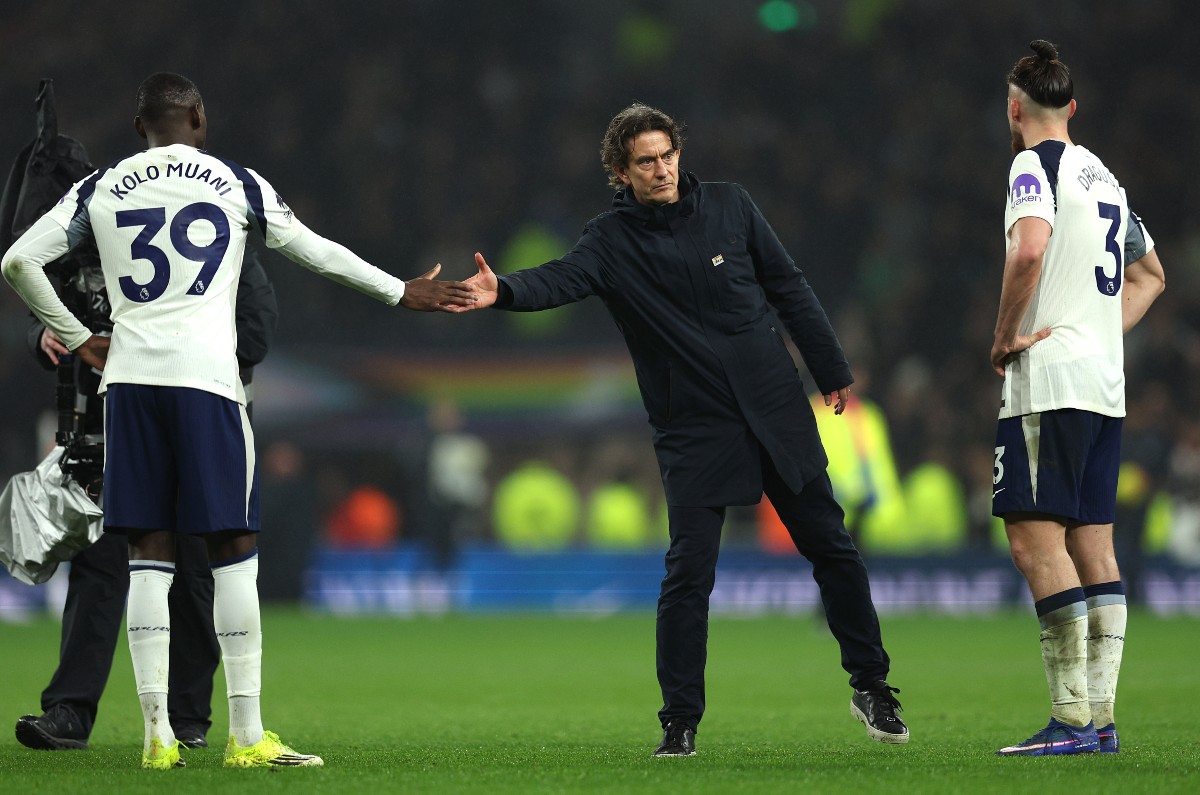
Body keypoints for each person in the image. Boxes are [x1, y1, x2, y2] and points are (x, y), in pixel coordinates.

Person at [2, 72, 474, 770]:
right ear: (198, 117)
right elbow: (315, 250)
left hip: (128, 386)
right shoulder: (235, 183)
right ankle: (247, 736)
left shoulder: (102, 186)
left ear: (139, 128)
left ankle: (158, 738)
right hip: (206, 383)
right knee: (231, 555)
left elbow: (18, 260)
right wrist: (400, 291)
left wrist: (76, 336)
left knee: (147, 561)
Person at [451, 102, 908, 755]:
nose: (662, 169)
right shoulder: (609, 241)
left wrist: (830, 367)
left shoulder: (731, 205)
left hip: (776, 406)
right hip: (696, 427)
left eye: (668, 155)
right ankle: (680, 720)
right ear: (620, 171)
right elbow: (560, 279)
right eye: (646, 161)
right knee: (689, 573)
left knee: (833, 548)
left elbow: (789, 285)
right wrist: (506, 291)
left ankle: (874, 685)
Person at [989, 41, 1165, 757]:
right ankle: (1102, 718)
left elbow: (1029, 250)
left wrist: (1005, 336)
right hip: (1103, 383)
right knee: (1094, 542)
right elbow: (1151, 275)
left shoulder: (1033, 166)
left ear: (1014, 108)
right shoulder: (1107, 179)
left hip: (1051, 378)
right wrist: (1100, 331)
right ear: (1072, 107)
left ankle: (1072, 719)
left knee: (1036, 539)